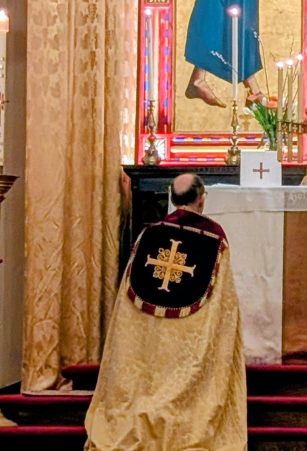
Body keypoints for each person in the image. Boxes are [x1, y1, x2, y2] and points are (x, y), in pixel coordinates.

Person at [85, 174, 247, 450]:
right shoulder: (213, 237)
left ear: (172, 199)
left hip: (151, 347)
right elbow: (224, 302)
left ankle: (142, 405)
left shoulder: (150, 234)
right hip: (190, 346)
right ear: (201, 199)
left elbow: (127, 303)